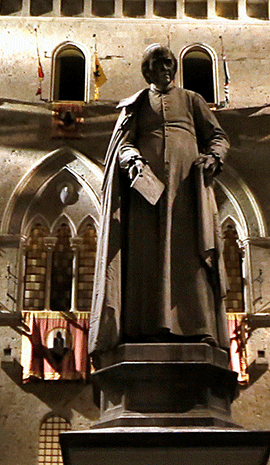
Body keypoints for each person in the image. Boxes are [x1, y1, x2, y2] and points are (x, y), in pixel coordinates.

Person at [89, 44, 229, 350]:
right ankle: (144, 328)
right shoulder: (137, 105)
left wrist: (214, 157)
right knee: (145, 258)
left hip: (187, 191)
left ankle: (198, 326)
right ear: (147, 71)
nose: (165, 68)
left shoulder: (192, 100)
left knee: (190, 254)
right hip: (146, 198)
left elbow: (217, 137)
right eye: (158, 63)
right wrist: (132, 159)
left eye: (168, 63)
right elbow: (123, 144)